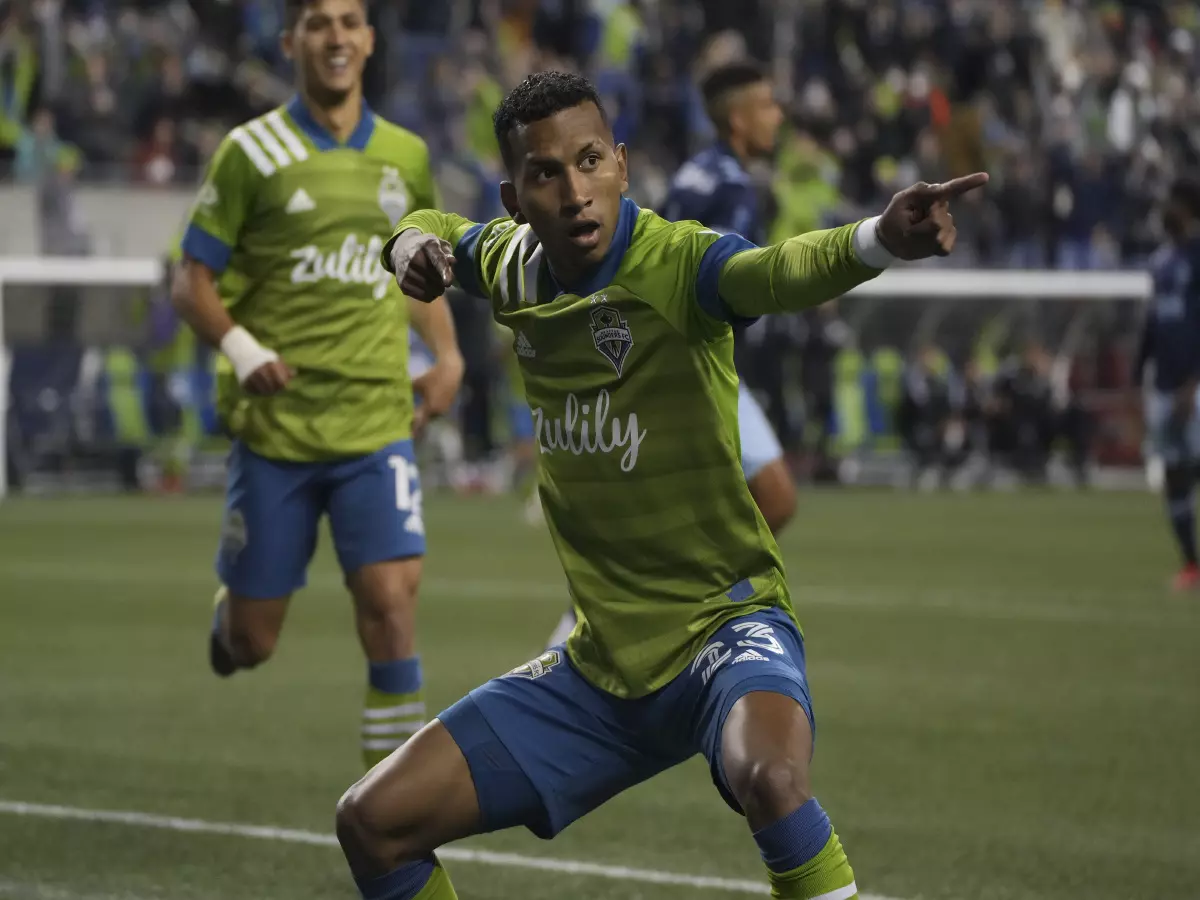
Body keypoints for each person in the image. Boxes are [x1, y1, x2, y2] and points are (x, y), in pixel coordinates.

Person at [335, 71, 986, 900]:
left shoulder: (678, 262)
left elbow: (777, 272)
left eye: (590, 160)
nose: (575, 192)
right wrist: (405, 248)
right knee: (372, 821)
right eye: (546, 174)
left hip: (725, 627)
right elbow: (433, 225)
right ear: (514, 197)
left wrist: (878, 240)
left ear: (623, 165)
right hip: (601, 668)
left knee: (773, 782)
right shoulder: (509, 265)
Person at [171, 0, 463, 769]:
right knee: (253, 641)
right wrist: (239, 348)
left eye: (349, 21)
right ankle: (229, 624)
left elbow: (416, 275)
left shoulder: (406, 154)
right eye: (319, 23)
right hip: (279, 429)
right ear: (292, 39)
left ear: (368, 40)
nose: (336, 36)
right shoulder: (248, 152)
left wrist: (447, 354)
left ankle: (394, 821)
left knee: (392, 607)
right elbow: (190, 283)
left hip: (376, 420)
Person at [545, 59, 790, 649]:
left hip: (663, 355)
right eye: (766, 106)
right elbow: (724, 283)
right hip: (688, 361)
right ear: (738, 118)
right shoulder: (732, 187)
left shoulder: (696, 174)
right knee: (774, 496)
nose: (777, 116)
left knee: (768, 497)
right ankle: (598, 629)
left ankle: (664, 608)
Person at [1135, 177, 1200, 590]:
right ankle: (1191, 564)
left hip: (1194, 385)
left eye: (1171, 203)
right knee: (1175, 473)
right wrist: (1135, 372)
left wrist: (1193, 383)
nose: (1164, 210)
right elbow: (1153, 324)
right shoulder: (1160, 263)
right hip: (1163, 385)